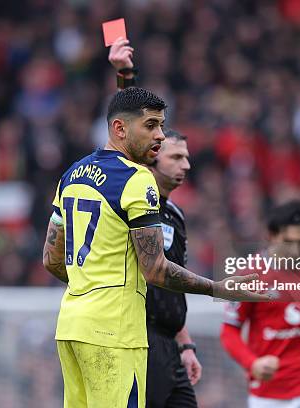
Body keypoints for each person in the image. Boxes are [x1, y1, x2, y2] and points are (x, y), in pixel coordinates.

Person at [42, 86, 266, 407]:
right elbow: (156, 269)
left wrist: (90, 280)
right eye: (150, 126)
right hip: (114, 332)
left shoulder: (71, 174)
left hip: (71, 327)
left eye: (161, 125)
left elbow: (51, 259)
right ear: (120, 128)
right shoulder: (136, 179)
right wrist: (217, 288)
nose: (159, 135)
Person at [109, 37, 201, 408]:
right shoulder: (134, 196)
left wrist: (186, 345)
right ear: (152, 158)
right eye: (176, 157)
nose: (186, 166)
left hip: (170, 346)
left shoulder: (175, 215)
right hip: (138, 339)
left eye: (187, 157)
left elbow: (173, 287)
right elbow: (133, 130)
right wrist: (125, 75)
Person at [220, 200, 300, 408]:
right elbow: (229, 330)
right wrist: (252, 363)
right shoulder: (249, 275)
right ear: (271, 235)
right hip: (269, 393)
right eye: (288, 241)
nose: (295, 250)